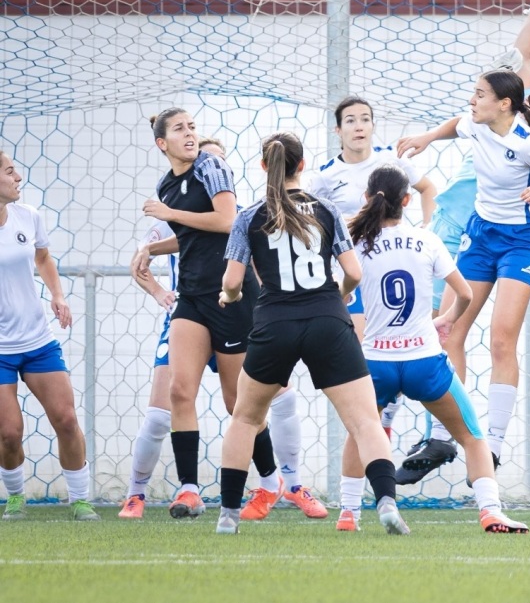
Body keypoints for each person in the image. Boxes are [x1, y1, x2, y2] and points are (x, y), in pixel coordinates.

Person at [397, 0, 530, 475]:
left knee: (501, 339)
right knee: (446, 331)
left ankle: (495, 443)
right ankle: (445, 436)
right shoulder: (487, 119)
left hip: (518, 240)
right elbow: (518, 60)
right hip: (473, 229)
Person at [119, 139, 325, 520]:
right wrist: (158, 284)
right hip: (191, 304)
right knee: (172, 398)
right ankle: (174, 491)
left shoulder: (239, 213)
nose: (213, 170)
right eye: (205, 161)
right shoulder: (174, 202)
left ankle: (280, 482)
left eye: (220, 164)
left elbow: (231, 234)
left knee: (245, 404)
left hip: (232, 307)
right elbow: (162, 248)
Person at [214, 133, 408, 535]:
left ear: (265, 167)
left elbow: (233, 281)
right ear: (302, 166)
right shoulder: (327, 210)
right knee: (366, 422)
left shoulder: (249, 216)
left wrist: (228, 296)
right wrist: (340, 296)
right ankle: (387, 505)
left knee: (246, 419)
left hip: (274, 323)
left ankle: (228, 515)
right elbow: (352, 271)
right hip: (327, 320)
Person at [340, 164, 528, 533]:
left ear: (367, 199)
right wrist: (443, 321)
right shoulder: (427, 240)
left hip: (375, 361)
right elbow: (466, 294)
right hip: (424, 362)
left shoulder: (356, 244)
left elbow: (340, 293)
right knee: (473, 437)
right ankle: (490, 510)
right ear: (407, 200)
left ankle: (349, 514)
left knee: (361, 433)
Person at [131, 108, 279, 519]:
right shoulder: (167, 184)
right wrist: (150, 250)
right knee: (180, 391)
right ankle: (190, 489)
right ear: (163, 143)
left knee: (239, 404)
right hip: (192, 297)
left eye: (192, 127)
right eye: (180, 129)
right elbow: (191, 236)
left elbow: (228, 221)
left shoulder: (211, 167)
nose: (190, 134)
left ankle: (270, 481)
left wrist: (171, 215)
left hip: (229, 296)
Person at [305, 95, 438, 438]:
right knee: (366, 355)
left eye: (365, 119)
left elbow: (427, 189)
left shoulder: (391, 161)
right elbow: (314, 223)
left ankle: (386, 418)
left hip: (395, 270)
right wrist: (345, 226)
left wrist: (424, 227)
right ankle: (372, 429)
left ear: (373, 126)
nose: (359, 126)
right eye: (350, 120)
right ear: (338, 130)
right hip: (354, 275)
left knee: (403, 347)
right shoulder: (324, 176)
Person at [0, 149, 99, 521]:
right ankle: (14, 498)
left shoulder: (30, 217)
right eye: (10, 172)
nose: (18, 177)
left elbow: (42, 257)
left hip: (38, 342)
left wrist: (57, 295)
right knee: (9, 433)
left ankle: (81, 500)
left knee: (67, 420)